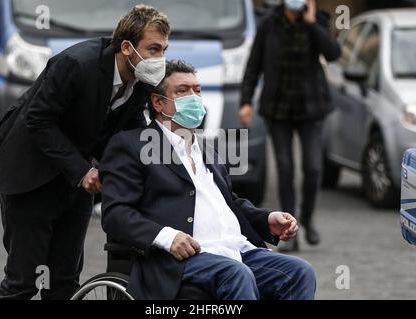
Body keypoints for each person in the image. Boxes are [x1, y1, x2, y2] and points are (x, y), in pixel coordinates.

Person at [0, 5, 170, 300]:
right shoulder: (77, 64)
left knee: (64, 279)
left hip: (74, 181)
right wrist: (82, 171)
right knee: (24, 279)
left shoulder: (140, 81)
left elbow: (129, 133)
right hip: (29, 172)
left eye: (163, 49)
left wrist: (155, 167)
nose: (159, 58)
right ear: (127, 47)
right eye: (153, 48)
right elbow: (38, 119)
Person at [100, 60, 316, 300]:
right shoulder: (132, 145)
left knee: (299, 272)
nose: (193, 97)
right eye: (182, 91)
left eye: (197, 90)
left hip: (235, 250)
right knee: (236, 274)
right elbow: (116, 214)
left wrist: (266, 220)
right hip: (182, 259)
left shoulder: (207, 149)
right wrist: (168, 237)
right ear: (158, 102)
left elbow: (228, 203)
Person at [240, 0, 341, 252]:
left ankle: (307, 217)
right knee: (285, 168)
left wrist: (311, 25)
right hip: (278, 110)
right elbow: (254, 64)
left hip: (311, 109)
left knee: (313, 168)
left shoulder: (318, 22)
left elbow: (333, 53)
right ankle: (290, 228)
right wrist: (246, 101)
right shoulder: (268, 24)